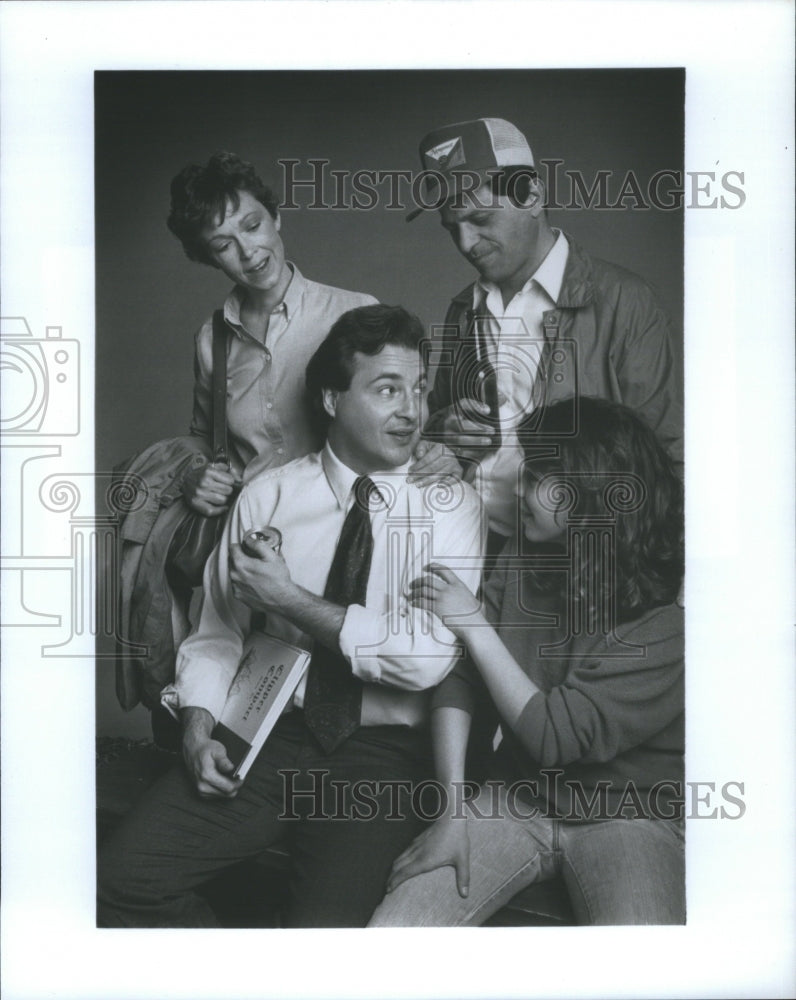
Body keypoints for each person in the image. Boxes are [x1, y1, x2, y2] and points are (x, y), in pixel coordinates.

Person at [98, 304, 484, 928]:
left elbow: (425, 660)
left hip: (384, 757)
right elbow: (216, 634)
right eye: (387, 389)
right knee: (118, 885)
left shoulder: (451, 505)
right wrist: (197, 729)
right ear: (331, 399)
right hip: (267, 733)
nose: (412, 409)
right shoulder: (268, 495)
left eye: (418, 388)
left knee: (323, 944)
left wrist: (289, 600)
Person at [369, 396, 685, 926]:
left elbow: (552, 736)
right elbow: (461, 676)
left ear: (589, 490)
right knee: (395, 933)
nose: (516, 487)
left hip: (630, 817)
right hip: (515, 799)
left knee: (645, 971)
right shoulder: (525, 550)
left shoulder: (671, 620)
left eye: (535, 475)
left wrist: (471, 622)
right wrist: (452, 813)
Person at [411, 118, 683, 556]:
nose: (465, 242)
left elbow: (668, 451)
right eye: (451, 227)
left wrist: (675, 573)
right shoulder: (464, 309)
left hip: (583, 559)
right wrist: (446, 430)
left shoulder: (623, 301)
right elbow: (439, 429)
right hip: (472, 549)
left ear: (533, 195)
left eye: (480, 218)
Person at [167, 150, 451, 514]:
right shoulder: (212, 339)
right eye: (223, 245)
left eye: (252, 226)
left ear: (276, 217)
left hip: (347, 524)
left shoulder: (354, 311)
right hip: (249, 529)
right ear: (209, 258)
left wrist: (435, 448)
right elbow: (204, 441)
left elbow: (402, 413)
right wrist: (195, 476)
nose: (248, 251)